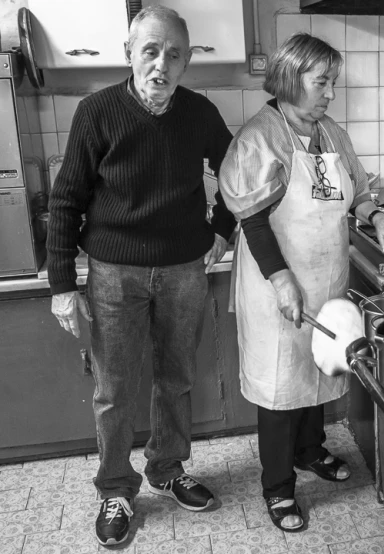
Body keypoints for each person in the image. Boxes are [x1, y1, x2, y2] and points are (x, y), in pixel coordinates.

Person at [46, 6, 236, 547]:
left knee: (175, 379)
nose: (161, 64)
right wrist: (62, 284)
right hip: (113, 273)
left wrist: (222, 229)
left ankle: (168, 468)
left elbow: (236, 175)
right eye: (150, 51)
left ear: (186, 59)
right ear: (129, 52)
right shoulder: (97, 111)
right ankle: (116, 488)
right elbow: (66, 200)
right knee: (114, 389)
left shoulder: (199, 113)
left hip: (183, 269)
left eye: (174, 53)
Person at [218, 33, 384, 533]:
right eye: (322, 82)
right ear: (291, 79)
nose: (330, 92)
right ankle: (278, 487)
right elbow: (254, 220)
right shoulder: (260, 137)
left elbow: (358, 193)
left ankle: (311, 451)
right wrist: (282, 280)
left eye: (333, 81)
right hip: (276, 280)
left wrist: (378, 219)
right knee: (280, 385)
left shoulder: (329, 132)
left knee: (318, 368)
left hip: (325, 274)